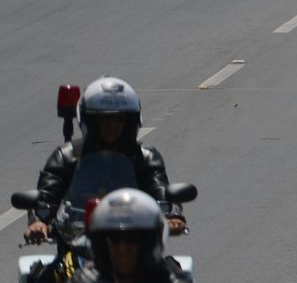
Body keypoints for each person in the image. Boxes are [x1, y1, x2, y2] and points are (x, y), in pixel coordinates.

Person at [24, 78, 186, 248]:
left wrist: (172, 216)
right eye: (104, 119)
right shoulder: (67, 156)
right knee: (39, 274)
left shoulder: (145, 158)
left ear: (129, 122)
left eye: (119, 119)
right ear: (91, 121)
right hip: (77, 240)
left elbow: (160, 189)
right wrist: (39, 221)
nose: (112, 126)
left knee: (176, 272)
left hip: (134, 244)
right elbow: (48, 193)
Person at [70, 189, 187, 283]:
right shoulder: (85, 279)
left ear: (148, 243)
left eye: (132, 239)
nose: (123, 247)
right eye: (115, 239)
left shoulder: (170, 279)